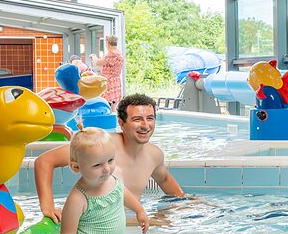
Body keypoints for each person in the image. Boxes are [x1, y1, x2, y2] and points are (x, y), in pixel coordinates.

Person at [35, 93, 186, 223]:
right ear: (121, 123)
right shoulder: (102, 145)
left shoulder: (154, 154)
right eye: (137, 119)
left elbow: (165, 180)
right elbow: (44, 161)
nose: (145, 125)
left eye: (150, 118)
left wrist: (186, 203)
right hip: (97, 224)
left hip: (127, 224)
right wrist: (48, 207)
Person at [59, 129, 149, 234]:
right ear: (76, 167)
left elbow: (123, 192)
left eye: (110, 160)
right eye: (97, 165)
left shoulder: (116, 174)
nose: (106, 169)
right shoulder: (78, 199)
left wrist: (139, 211)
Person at [89, 35, 125, 105]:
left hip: (109, 81)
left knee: (107, 102)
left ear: (108, 43)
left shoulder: (111, 53)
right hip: (116, 80)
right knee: (114, 102)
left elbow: (98, 63)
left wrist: (93, 56)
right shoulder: (119, 53)